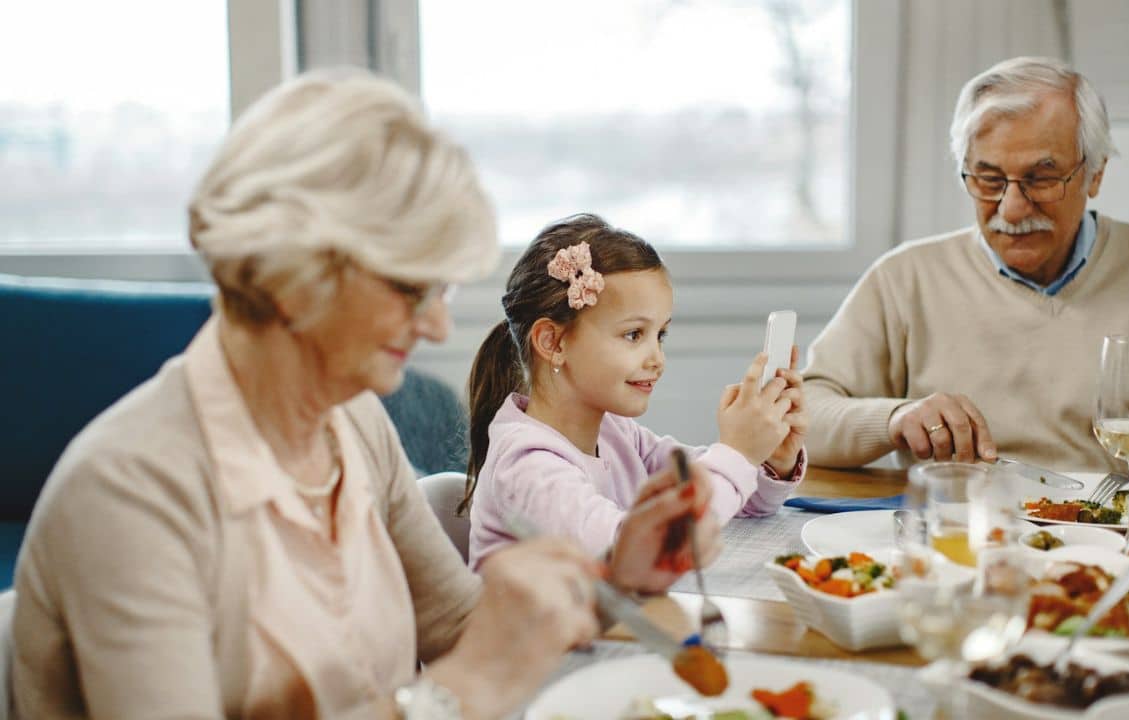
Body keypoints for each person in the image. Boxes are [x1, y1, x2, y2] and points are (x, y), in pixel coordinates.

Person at [12, 69, 716, 720]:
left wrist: (615, 579)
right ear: (294, 273)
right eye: (413, 288)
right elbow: (466, 670)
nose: (438, 323)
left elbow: (460, 627)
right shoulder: (130, 494)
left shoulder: (350, 423)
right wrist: (455, 692)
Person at [803, 56, 1129, 474]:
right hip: (961, 545)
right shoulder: (905, 278)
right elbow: (803, 418)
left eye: (1041, 178)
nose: (1011, 208)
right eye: (988, 180)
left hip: (1128, 548)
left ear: (1095, 174)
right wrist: (893, 418)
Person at [464, 214, 808, 567]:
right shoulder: (527, 467)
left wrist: (770, 460)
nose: (657, 359)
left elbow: (734, 502)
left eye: (660, 335)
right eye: (634, 335)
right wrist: (738, 453)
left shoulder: (617, 435)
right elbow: (642, 556)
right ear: (553, 341)